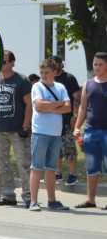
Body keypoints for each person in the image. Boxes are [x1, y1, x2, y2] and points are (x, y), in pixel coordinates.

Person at [0, 50, 33, 208]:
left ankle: (30, 195)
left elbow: (29, 104)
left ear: (12, 62)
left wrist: (25, 126)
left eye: (4, 62)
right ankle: (7, 194)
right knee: (2, 164)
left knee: (23, 163)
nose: (1, 65)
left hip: (18, 129)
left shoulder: (22, 80)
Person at [29, 59, 71, 211]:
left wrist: (50, 108)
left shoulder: (60, 87)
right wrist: (57, 104)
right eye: (41, 73)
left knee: (51, 168)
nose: (44, 76)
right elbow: (39, 105)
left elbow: (68, 108)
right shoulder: (37, 86)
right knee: (36, 167)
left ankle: (52, 200)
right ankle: (33, 201)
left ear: (54, 72)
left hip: (55, 133)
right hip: (40, 132)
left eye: (47, 73)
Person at [74, 52, 107, 209]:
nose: (97, 67)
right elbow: (83, 107)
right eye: (95, 64)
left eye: (100, 64)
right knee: (92, 167)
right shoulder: (88, 83)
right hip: (91, 130)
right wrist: (77, 127)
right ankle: (90, 200)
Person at [50, 56, 82, 185]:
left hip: (68, 119)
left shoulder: (69, 78)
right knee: (56, 149)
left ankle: (73, 174)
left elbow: (76, 98)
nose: (53, 65)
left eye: (55, 63)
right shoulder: (50, 79)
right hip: (53, 120)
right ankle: (58, 174)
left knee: (69, 148)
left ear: (60, 64)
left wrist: (75, 115)